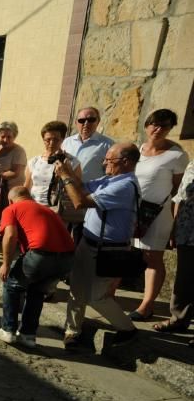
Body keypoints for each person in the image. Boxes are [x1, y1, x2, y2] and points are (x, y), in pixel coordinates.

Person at [57, 142, 141, 348]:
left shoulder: (124, 186)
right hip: (88, 242)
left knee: (96, 297)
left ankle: (127, 328)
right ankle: (72, 331)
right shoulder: (110, 179)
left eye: (109, 160)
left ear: (126, 162)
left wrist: (64, 176)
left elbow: (79, 201)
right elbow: (82, 187)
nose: (104, 163)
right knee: (76, 289)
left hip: (109, 250)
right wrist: (66, 167)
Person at [0, 187, 75, 348]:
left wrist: (6, 264)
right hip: (67, 258)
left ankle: (8, 330)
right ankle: (28, 335)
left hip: (41, 254)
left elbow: (10, 236)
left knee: (12, 285)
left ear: (11, 200)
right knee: (37, 292)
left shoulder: (12, 208)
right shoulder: (46, 209)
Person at [129, 109, 189, 320]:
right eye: (154, 124)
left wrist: (174, 221)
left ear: (171, 129)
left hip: (157, 214)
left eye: (164, 126)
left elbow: (178, 191)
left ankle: (147, 305)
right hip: (132, 211)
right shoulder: (136, 149)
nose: (158, 129)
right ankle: (108, 295)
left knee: (153, 258)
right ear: (146, 125)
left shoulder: (177, 155)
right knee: (127, 253)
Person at [153, 160, 194, 342]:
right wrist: (175, 226)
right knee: (184, 277)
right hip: (187, 231)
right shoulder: (193, 164)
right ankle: (178, 318)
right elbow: (179, 197)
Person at [24, 121, 83, 214]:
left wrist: (67, 171)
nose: (51, 143)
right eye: (48, 140)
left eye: (56, 139)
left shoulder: (72, 161)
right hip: (34, 208)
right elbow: (27, 187)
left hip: (59, 211)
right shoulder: (34, 161)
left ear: (62, 139)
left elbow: (78, 186)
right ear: (43, 139)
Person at [63, 106, 116, 183]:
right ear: (76, 123)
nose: (86, 123)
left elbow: (112, 174)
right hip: (66, 190)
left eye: (91, 120)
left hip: (90, 193)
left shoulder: (108, 145)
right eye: (81, 120)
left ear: (98, 122)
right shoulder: (67, 142)